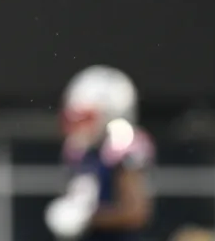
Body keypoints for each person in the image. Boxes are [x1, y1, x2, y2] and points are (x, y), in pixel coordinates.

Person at [45, 65, 154, 241]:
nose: (80, 126)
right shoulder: (79, 150)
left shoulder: (123, 146)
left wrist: (88, 218)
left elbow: (135, 213)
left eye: (86, 118)